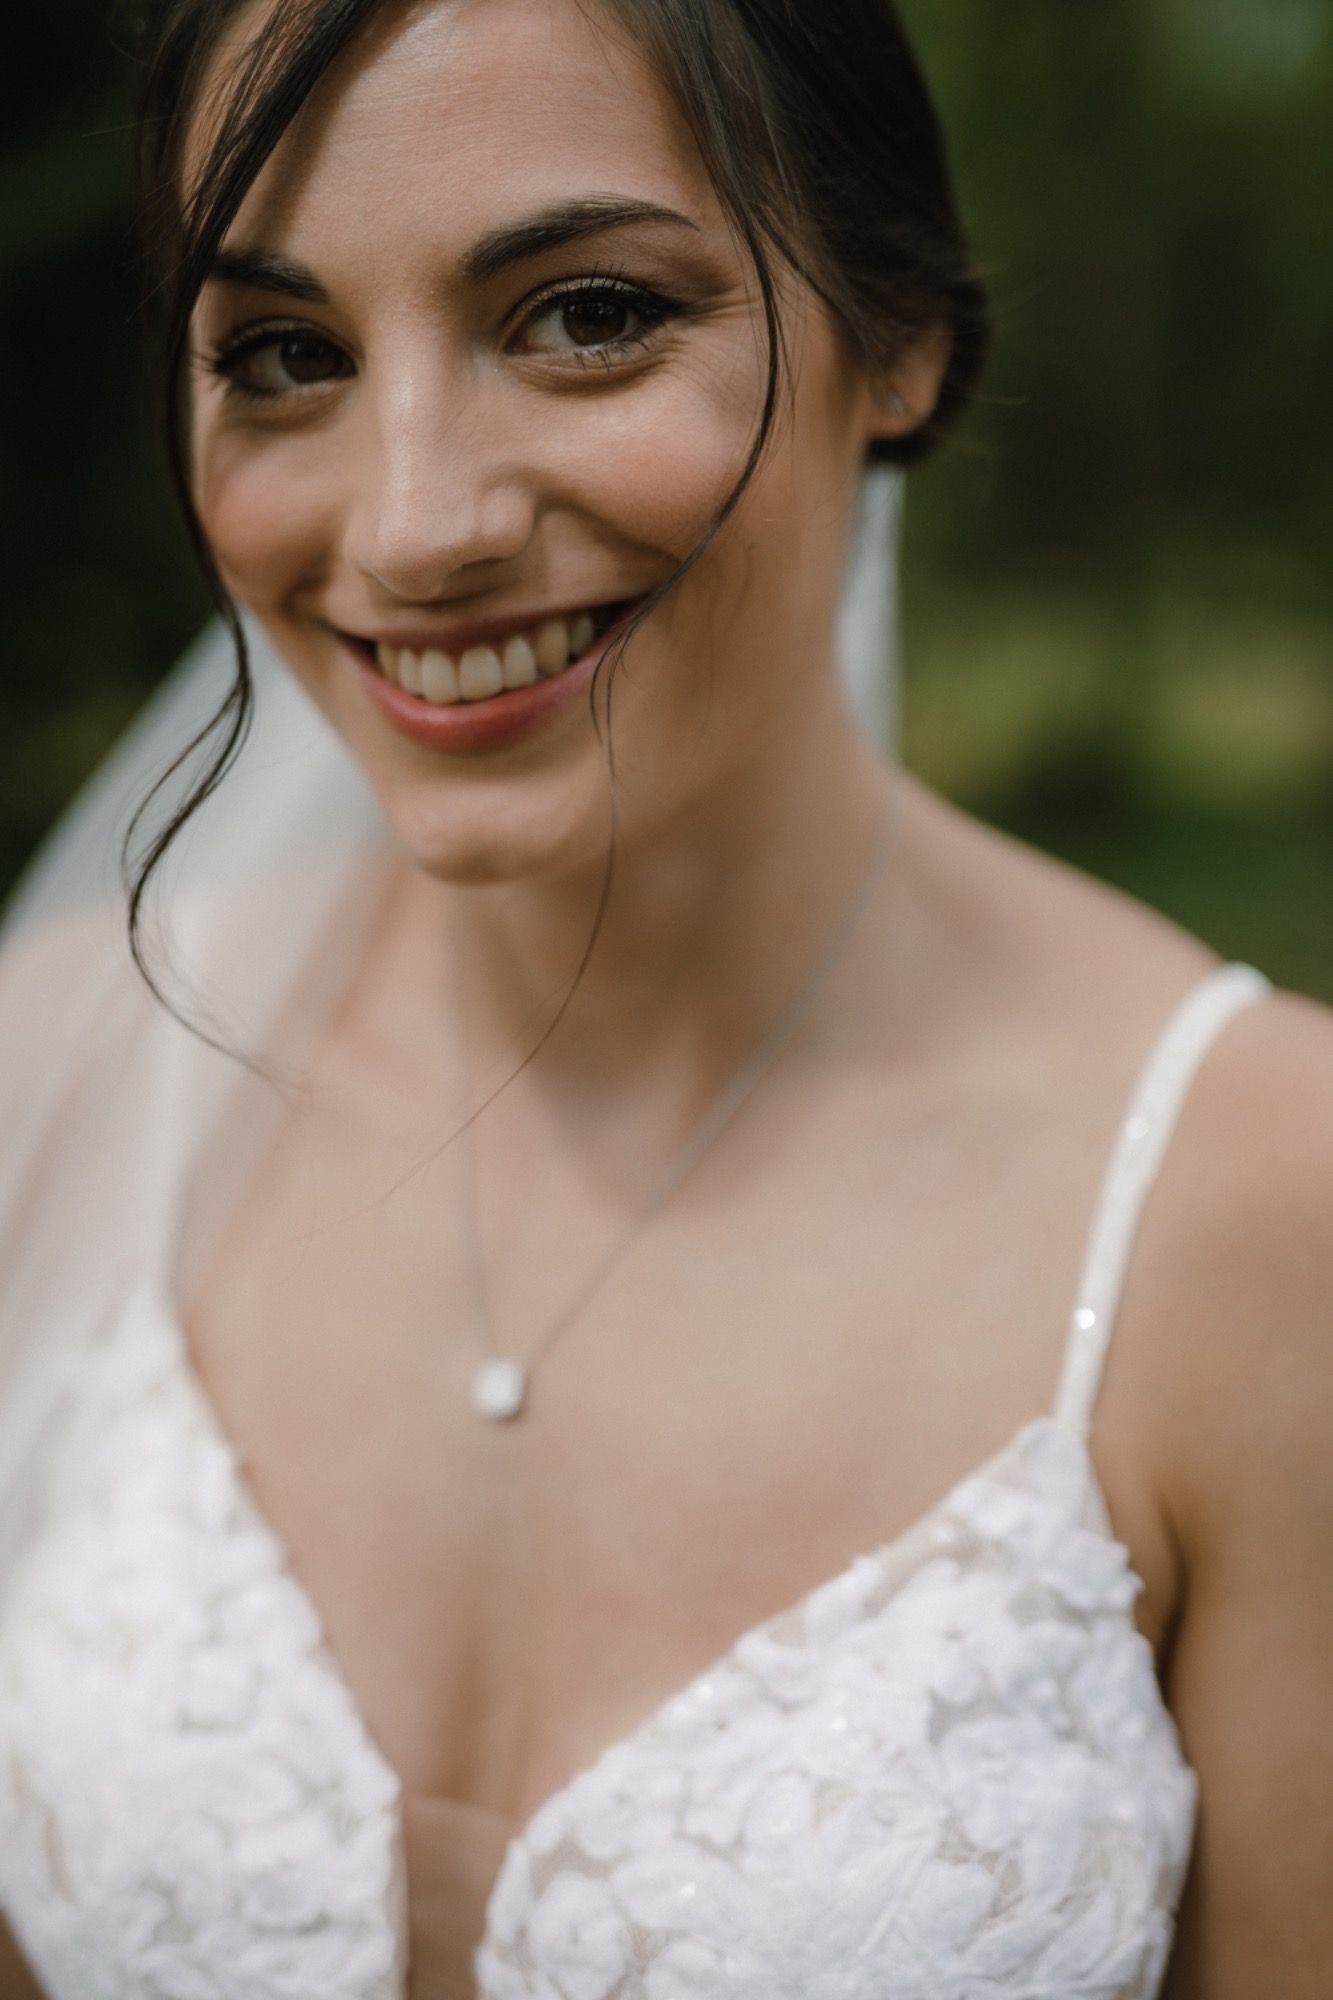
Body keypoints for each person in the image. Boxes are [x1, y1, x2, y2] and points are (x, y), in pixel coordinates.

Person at [0, 0, 1331, 1994]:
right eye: (284, 355)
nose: (413, 528)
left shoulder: (1270, 1215)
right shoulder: (52, 1073)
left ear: (900, 334)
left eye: (588, 316)